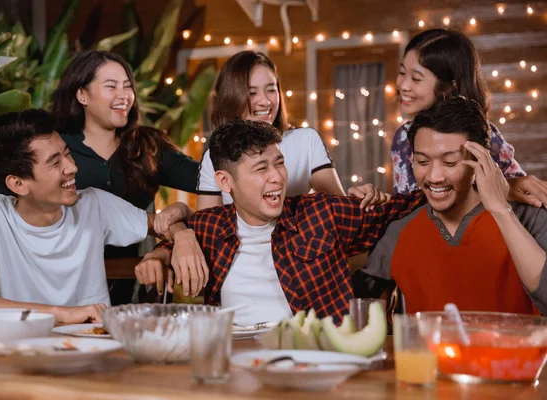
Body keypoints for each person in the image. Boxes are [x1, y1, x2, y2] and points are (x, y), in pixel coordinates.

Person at [136, 120, 426, 324]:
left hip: (314, 362)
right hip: (234, 365)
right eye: (262, 168)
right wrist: (158, 255)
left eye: (279, 163)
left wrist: (378, 195)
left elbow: (408, 206)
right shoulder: (209, 227)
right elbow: (168, 245)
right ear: (225, 181)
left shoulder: (322, 214)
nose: (277, 177)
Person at [0, 50, 207, 302]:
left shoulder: (148, 145)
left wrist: (180, 222)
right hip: (69, 292)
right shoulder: (55, 150)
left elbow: (212, 181)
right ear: (81, 95)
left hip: (144, 284)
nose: (124, 95)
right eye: (111, 86)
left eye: (127, 86)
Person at [0, 109, 199, 323]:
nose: (72, 167)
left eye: (67, 153)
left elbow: (163, 224)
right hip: (23, 351)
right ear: (18, 184)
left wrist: (181, 236)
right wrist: (60, 313)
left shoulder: (92, 203)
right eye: (55, 163)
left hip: (95, 344)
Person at [363, 97, 547, 315]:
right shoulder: (398, 232)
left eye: (449, 162)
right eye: (422, 162)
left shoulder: (530, 217)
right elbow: (358, 307)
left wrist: (501, 210)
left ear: (480, 160)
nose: (433, 176)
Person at [392, 28, 547, 206]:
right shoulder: (404, 137)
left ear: (448, 87)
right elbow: (406, 207)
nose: (403, 85)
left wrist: (508, 187)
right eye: (402, 73)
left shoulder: (485, 135)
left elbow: (524, 194)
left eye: (416, 79)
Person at [197, 51, 347, 210]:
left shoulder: (306, 141)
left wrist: (365, 199)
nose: (265, 101)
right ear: (231, 98)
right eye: (252, 93)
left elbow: (341, 210)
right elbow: (207, 226)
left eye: (271, 90)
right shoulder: (213, 157)